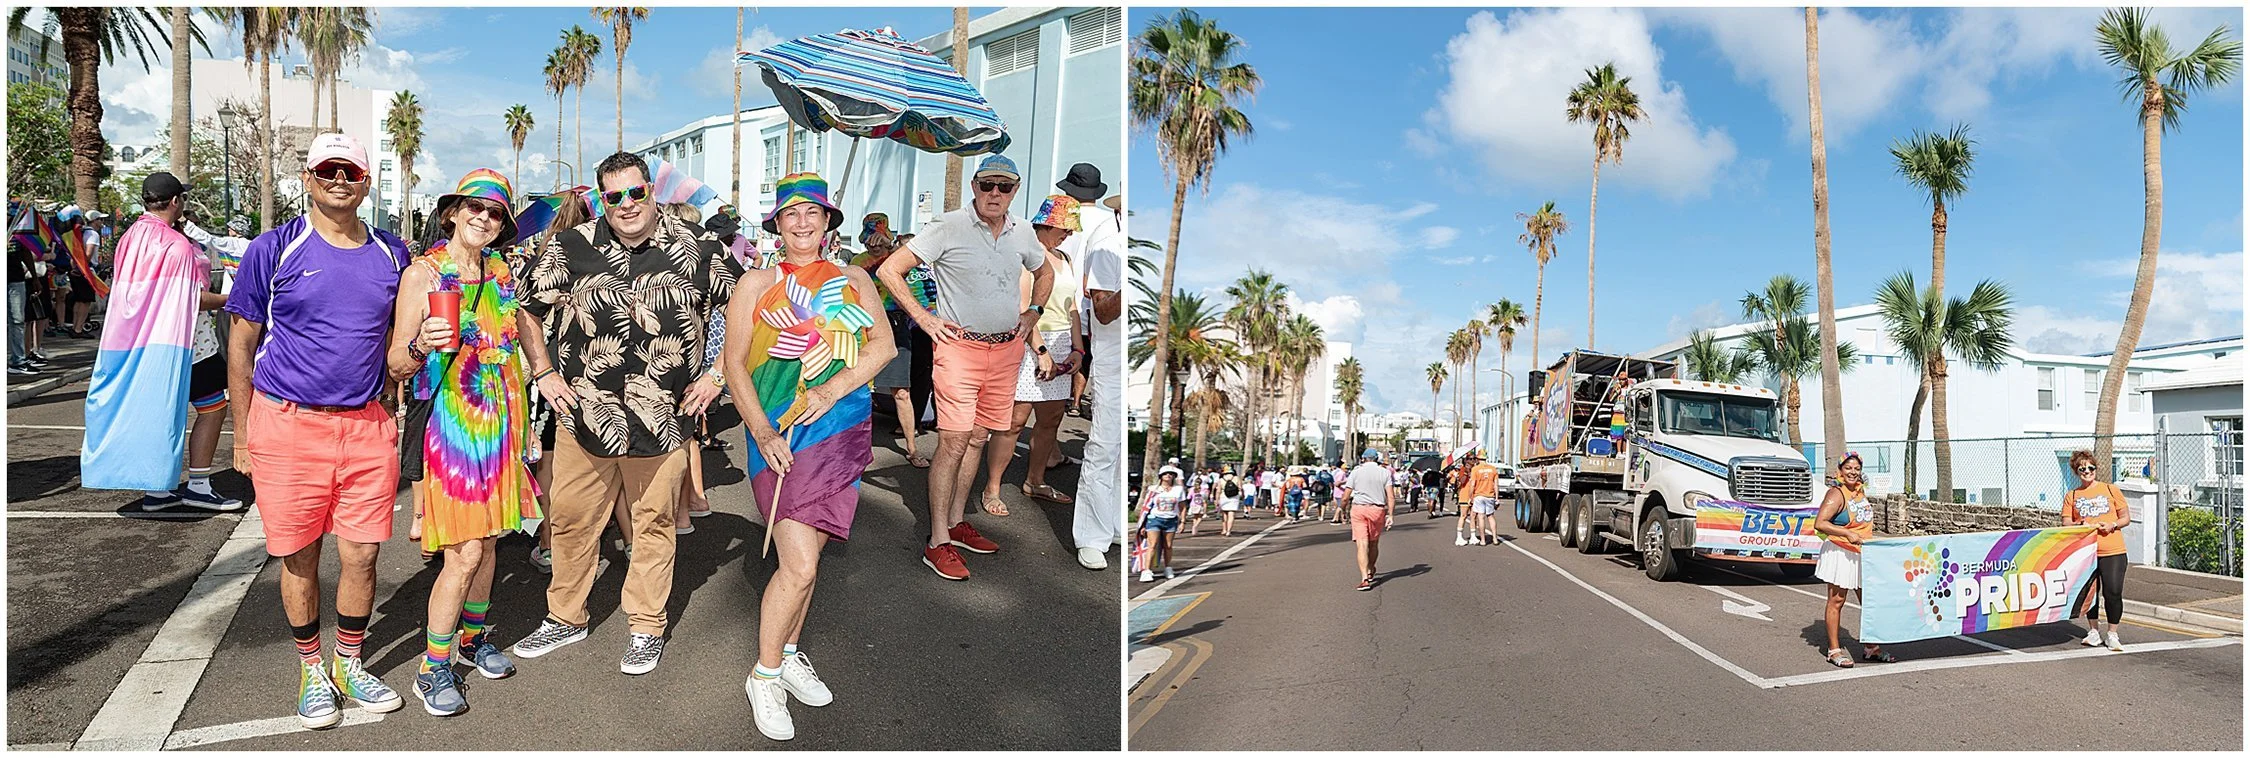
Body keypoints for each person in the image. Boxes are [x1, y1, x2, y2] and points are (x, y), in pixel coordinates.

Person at [509, 152, 735, 675]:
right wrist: (543, 372)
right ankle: (565, 617)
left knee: (653, 525)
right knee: (570, 522)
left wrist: (717, 375)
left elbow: (743, 306)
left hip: (665, 418)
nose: (627, 204)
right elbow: (527, 308)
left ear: (651, 192)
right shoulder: (570, 246)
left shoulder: (698, 246)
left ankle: (646, 627)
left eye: (636, 192)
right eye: (614, 196)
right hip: (584, 417)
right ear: (601, 199)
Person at [224, 135, 410, 728]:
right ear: (307, 178)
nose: (339, 180)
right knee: (300, 557)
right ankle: (311, 669)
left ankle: (348, 664)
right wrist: (242, 436)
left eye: (350, 171)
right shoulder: (272, 248)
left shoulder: (393, 253)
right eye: (328, 169)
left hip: (367, 426)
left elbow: (398, 338)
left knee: (362, 555)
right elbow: (241, 345)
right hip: (286, 425)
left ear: (366, 182)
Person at [725, 172, 893, 741]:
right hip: (776, 433)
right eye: (791, 213)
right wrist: (762, 433)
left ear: (827, 222)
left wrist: (831, 389)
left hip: (840, 428)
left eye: (812, 212)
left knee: (811, 560)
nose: (802, 222)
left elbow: (882, 346)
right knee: (798, 566)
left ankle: (790, 653)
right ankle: (765, 675)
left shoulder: (854, 279)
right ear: (777, 223)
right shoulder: (756, 283)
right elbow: (734, 366)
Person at [385, 169, 545, 715]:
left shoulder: (501, 274)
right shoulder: (423, 274)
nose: (484, 218)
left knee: (492, 542)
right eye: (475, 207)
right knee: (465, 552)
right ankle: (432, 667)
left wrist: (527, 420)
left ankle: (473, 640)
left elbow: (514, 350)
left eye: (495, 212)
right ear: (452, 212)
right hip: (451, 430)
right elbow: (396, 364)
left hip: (500, 425)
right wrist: (420, 344)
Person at [877, 154, 1054, 581]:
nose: (995, 193)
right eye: (987, 184)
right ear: (974, 186)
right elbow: (890, 269)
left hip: (1006, 351)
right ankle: (937, 540)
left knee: (977, 439)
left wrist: (1034, 312)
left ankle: (956, 523)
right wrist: (924, 318)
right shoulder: (949, 225)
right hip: (959, 350)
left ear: (1014, 190)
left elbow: (1045, 271)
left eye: (1004, 186)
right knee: (954, 442)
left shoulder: (1022, 231)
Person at [79, 174, 232, 510]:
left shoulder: (130, 237)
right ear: (175, 201)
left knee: (154, 411)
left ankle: (156, 488)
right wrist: (229, 299)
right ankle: (199, 485)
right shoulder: (176, 244)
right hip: (184, 341)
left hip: (136, 340)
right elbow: (191, 299)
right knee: (213, 407)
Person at [980, 195, 1083, 515]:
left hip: (1061, 342)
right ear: (1047, 224)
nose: (1068, 235)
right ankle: (992, 488)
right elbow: (1023, 309)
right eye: (1064, 229)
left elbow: (1072, 307)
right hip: (1030, 342)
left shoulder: (1065, 258)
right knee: (1014, 421)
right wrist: (1041, 352)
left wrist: (1078, 349)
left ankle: (1035, 481)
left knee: (1051, 420)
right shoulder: (1026, 256)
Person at [850, 213, 934, 468]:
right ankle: (853, 450)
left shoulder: (898, 259)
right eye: (869, 240)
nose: (873, 245)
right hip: (865, 326)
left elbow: (916, 288)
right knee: (857, 389)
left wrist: (891, 248)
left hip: (897, 327)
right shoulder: (857, 263)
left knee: (901, 391)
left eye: (878, 239)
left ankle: (912, 448)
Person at [1812, 451, 1891, 668]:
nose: (1853, 472)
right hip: (1840, 552)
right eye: (1848, 468)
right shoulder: (1836, 494)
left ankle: (1871, 647)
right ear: (1840, 471)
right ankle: (1834, 650)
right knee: (1837, 600)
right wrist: (1847, 533)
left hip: (1861, 552)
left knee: (1869, 601)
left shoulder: (1859, 492)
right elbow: (1820, 523)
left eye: (1856, 468)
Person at [2063, 450, 2131, 651]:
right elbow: (2066, 522)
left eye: (2090, 467)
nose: (2087, 471)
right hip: (2086, 552)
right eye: (2082, 469)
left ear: (2096, 469)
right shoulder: (2072, 495)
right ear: (2076, 472)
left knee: (2113, 592)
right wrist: (2080, 525)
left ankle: (2112, 634)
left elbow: (2125, 518)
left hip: (2113, 550)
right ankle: (2093, 631)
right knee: (2090, 593)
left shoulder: (2111, 490)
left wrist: (2112, 525)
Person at [1339, 449, 1396, 591]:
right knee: (1374, 543)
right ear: (1376, 459)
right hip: (1377, 509)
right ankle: (1370, 568)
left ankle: (1364, 578)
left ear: (1363, 459)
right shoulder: (1384, 472)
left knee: (1362, 544)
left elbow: (1346, 496)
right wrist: (1390, 515)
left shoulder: (1356, 472)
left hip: (1359, 509)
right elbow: (1390, 496)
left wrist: (1342, 510)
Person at [1136, 466, 1187, 582]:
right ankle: (1146, 570)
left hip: (1171, 520)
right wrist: (1143, 525)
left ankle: (1168, 568)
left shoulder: (1178, 489)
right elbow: (1146, 507)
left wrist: (1183, 521)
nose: (1168, 475)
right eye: (1165, 473)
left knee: (1168, 545)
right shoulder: (1153, 489)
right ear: (1161, 476)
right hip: (1154, 519)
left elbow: (1183, 507)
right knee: (1152, 545)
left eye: (1171, 474)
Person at [1461, 452, 1502, 546]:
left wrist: (1470, 497)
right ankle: (1495, 539)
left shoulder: (1475, 469)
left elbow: (1472, 484)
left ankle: (1483, 540)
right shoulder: (1493, 469)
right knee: (1490, 516)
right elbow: (1496, 485)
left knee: (1481, 517)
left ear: (1478, 459)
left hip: (1479, 495)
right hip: (1490, 495)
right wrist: (1496, 498)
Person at [1217, 468, 1243, 537]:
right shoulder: (1236, 478)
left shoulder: (1221, 479)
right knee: (1231, 514)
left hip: (1223, 496)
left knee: (1224, 513)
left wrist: (1217, 499)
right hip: (1234, 497)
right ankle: (1228, 531)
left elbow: (1218, 491)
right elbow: (1240, 488)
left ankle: (1224, 529)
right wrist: (1242, 496)